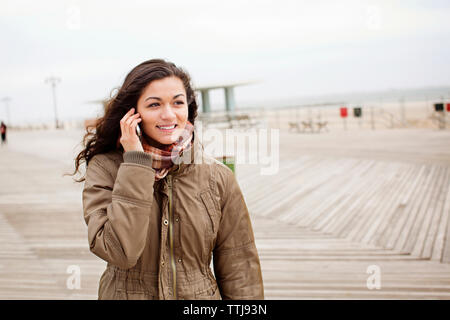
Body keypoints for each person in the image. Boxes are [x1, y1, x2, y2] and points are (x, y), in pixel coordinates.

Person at [71, 59, 264, 300]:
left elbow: (240, 266)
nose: (168, 114)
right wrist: (135, 162)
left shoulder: (217, 177)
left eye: (178, 103)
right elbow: (121, 252)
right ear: (132, 113)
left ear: (188, 108)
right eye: (154, 104)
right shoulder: (105, 168)